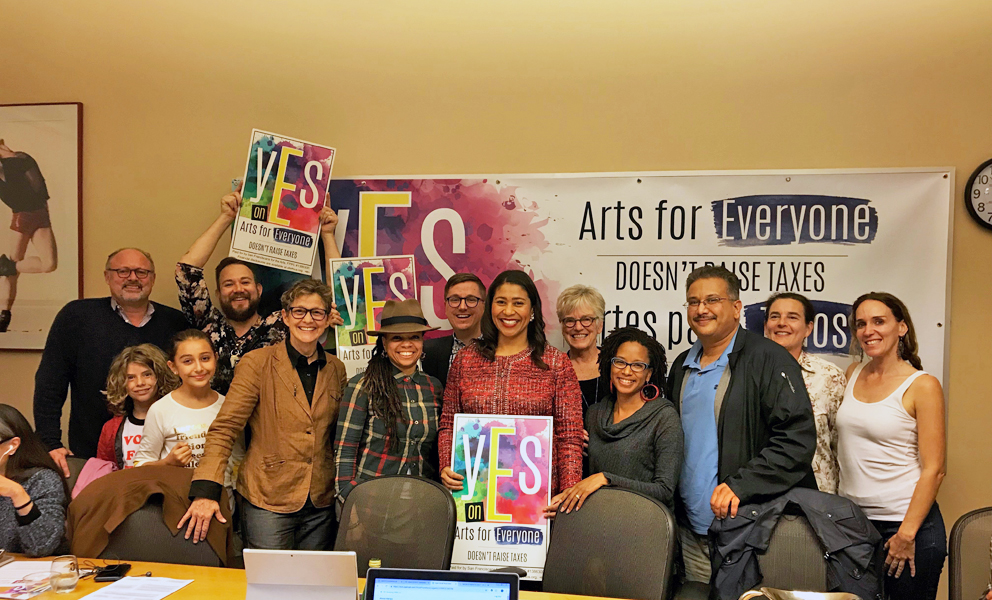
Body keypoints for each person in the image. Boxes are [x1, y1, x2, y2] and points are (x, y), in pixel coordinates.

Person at [667, 265, 816, 583]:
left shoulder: (770, 359)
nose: (701, 309)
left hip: (747, 529)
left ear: (736, 308)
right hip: (691, 531)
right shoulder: (681, 365)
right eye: (693, 302)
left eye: (711, 300)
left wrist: (741, 485)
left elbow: (797, 441)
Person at [182, 279, 348, 550]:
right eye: (299, 311)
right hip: (267, 498)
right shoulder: (257, 363)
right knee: (269, 586)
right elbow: (225, 429)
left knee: (314, 588)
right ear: (285, 316)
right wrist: (205, 490)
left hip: (320, 501)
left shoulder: (336, 369)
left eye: (317, 312)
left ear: (327, 318)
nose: (308, 319)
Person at [33, 247, 188, 475]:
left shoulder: (176, 322)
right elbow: (50, 384)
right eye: (122, 271)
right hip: (92, 456)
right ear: (107, 276)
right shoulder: (76, 317)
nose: (133, 278)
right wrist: (50, 443)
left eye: (141, 272)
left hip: (165, 459)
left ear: (153, 279)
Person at [176, 186, 343, 395]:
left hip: (269, 425)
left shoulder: (282, 324)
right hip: (213, 423)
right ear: (218, 294)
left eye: (245, 282)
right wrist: (226, 217)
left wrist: (327, 235)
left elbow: (339, 296)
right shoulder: (208, 326)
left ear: (259, 289)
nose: (238, 289)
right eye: (229, 284)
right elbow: (186, 271)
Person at [837, 292, 946, 600]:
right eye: (860, 324)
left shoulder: (922, 385)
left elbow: (935, 469)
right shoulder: (852, 374)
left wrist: (906, 534)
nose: (868, 330)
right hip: (854, 526)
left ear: (902, 327)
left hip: (906, 529)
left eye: (879, 321)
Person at [438, 270, 584, 496]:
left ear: (532, 310)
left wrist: (568, 491)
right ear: (490, 308)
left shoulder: (556, 363)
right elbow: (449, 424)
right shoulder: (465, 360)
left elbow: (569, 437)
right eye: (501, 302)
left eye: (518, 303)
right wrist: (446, 465)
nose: (508, 311)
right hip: (474, 494)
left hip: (535, 503)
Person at [545, 326, 683, 516]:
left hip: (645, 528)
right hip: (599, 523)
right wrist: (566, 500)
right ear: (609, 366)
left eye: (637, 365)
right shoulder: (594, 414)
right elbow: (584, 482)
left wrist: (606, 479)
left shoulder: (664, 418)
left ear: (648, 374)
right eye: (620, 362)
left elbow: (664, 491)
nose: (627, 371)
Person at [334, 299, 442, 503]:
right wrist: (348, 500)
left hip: (421, 502)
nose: (407, 344)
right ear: (384, 342)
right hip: (371, 500)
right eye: (397, 337)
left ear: (422, 341)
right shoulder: (363, 385)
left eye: (415, 337)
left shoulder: (433, 387)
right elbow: (344, 452)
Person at [763, 292, 846, 493]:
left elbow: (841, 446)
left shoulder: (829, 376)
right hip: (761, 496)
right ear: (766, 326)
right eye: (775, 316)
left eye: (792, 317)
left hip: (818, 498)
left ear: (808, 328)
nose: (782, 323)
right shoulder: (749, 373)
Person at [133, 330, 232, 475]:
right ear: (173, 367)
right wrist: (167, 463)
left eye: (205, 358)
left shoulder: (229, 406)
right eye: (187, 361)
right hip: (177, 494)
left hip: (223, 494)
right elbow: (139, 466)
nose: (198, 368)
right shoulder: (160, 410)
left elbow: (238, 460)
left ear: (215, 359)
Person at [0, 140, 58, 333]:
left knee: (48, 264)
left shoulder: (22, 157)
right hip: (22, 217)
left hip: (41, 215)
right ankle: (4, 313)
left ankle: (8, 266)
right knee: (11, 272)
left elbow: (40, 188)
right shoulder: (10, 164)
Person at [97, 344, 180, 470]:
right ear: (122, 382)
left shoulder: (178, 419)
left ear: (159, 376)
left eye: (147, 374)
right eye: (131, 378)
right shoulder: (111, 429)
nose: (140, 383)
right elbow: (103, 472)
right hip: (126, 488)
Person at [0, 404, 68, 557]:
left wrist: (18, 494)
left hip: (27, 574)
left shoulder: (42, 480)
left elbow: (41, 546)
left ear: (12, 445)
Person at [422, 273, 486, 387]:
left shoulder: (502, 349)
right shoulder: (427, 352)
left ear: (484, 306)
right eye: (455, 299)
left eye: (471, 299)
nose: (462, 307)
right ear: (446, 306)